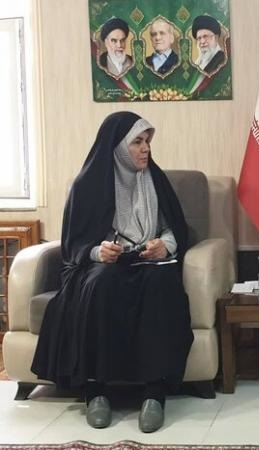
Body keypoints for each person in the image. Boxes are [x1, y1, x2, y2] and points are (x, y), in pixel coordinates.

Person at [31, 111, 194, 433]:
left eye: (147, 141)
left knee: (160, 283)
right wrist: (98, 251)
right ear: (117, 146)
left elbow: (172, 227)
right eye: (137, 142)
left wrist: (165, 245)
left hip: (148, 261)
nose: (145, 149)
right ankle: (96, 390)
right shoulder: (87, 185)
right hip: (103, 265)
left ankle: (154, 392)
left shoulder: (156, 180)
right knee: (100, 284)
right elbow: (75, 242)